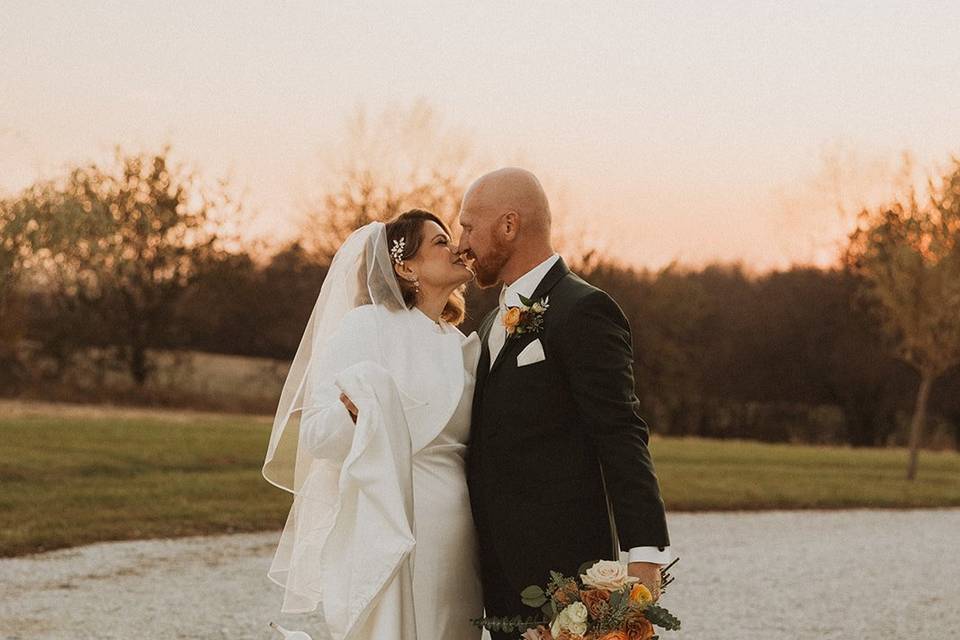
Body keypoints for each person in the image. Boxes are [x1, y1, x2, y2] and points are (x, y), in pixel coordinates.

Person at [457, 168, 672, 639]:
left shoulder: (584, 310)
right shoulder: (489, 321)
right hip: (496, 574)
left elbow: (620, 432)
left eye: (469, 226)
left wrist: (645, 553)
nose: (461, 243)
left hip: (564, 577)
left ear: (508, 226)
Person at [262, 210, 483, 640]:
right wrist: (354, 414)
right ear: (405, 266)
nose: (457, 247)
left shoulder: (461, 345)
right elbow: (316, 435)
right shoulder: (367, 327)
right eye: (440, 241)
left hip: (460, 531)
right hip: (392, 521)